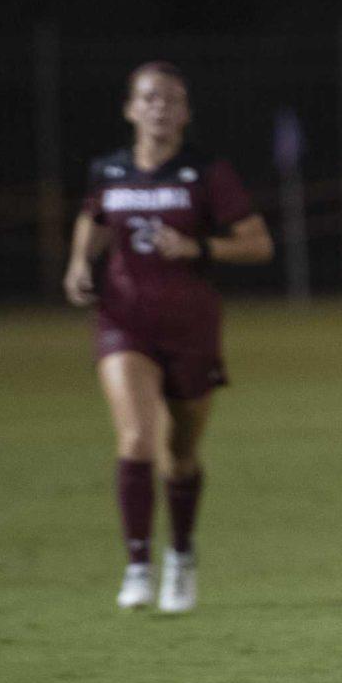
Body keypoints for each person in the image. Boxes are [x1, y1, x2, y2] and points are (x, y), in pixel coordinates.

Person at [64, 62, 272, 614]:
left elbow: (258, 244)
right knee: (135, 438)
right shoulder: (107, 170)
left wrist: (198, 248)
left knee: (179, 455)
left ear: (185, 112)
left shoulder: (205, 173)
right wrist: (78, 264)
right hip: (122, 322)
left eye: (172, 99)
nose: (160, 107)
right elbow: (94, 217)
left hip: (191, 329)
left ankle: (180, 554)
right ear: (130, 108)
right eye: (150, 98)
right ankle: (137, 564)